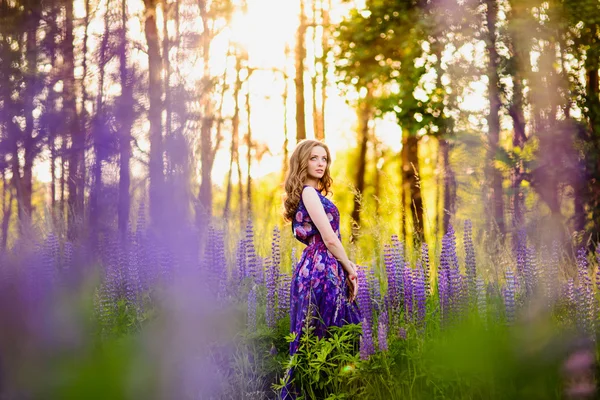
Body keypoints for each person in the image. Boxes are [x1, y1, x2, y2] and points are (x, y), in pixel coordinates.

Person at [281, 139, 361, 398]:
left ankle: (329, 390)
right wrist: (348, 266)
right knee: (325, 331)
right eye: (314, 158)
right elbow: (328, 237)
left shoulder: (314, 194)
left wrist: (344, 265)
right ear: (302, 162)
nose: (320, 163)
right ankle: (320, 392)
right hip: (320, 268)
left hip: (322, 265)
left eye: (324, 159)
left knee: (325, 331)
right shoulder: (308, 193)